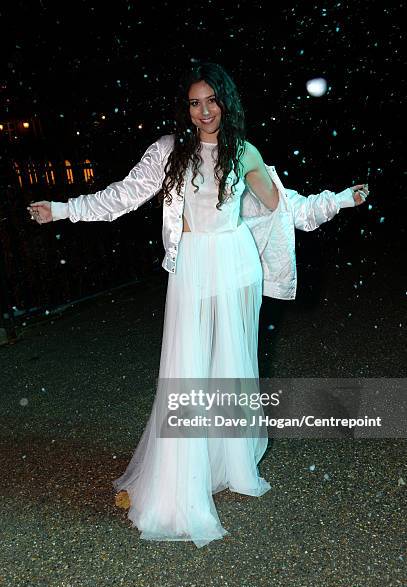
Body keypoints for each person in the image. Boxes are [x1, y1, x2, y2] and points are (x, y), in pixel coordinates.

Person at [27, 62, 369, 548]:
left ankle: (228, 465)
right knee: (187, 372)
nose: (204, 110)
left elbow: (286, 207)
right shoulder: (169, 152)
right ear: (185, 108)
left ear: (225, 102)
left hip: (236, 267)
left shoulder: (245, 152)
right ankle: (180, 484)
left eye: (212, 100)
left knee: (232, 370)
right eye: (194, 102)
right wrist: (62, 209)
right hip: (191, 265)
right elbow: (123, 195)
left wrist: (339, 200)